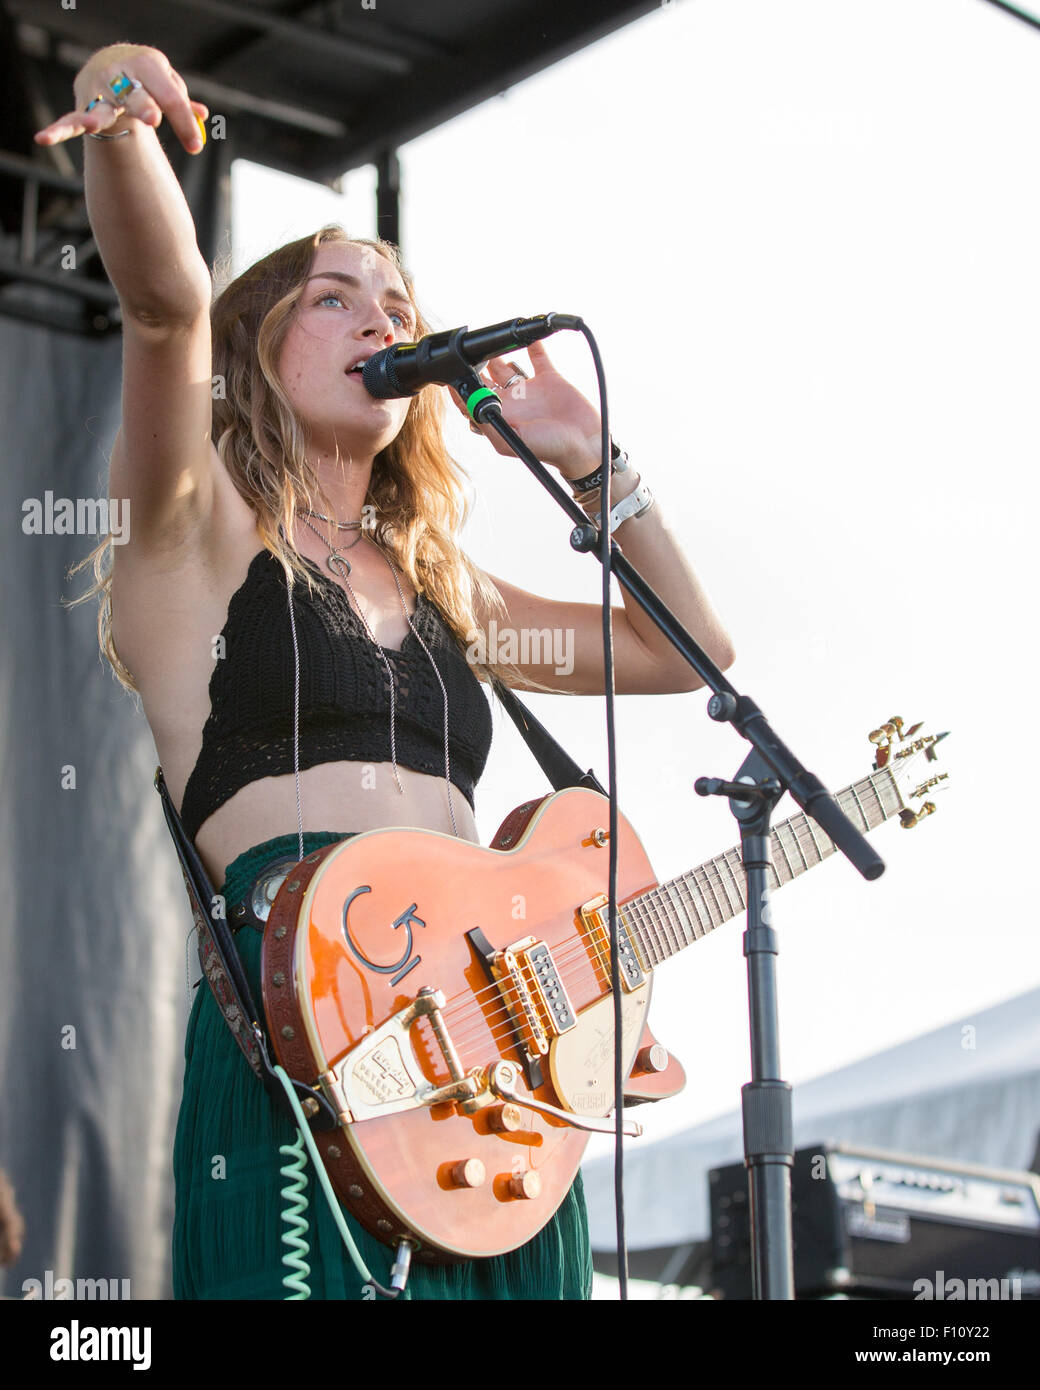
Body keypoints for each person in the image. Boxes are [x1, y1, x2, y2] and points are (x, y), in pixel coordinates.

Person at [36, 44, 735, 1300]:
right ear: (258, 342)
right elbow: (161, 308)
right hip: (307, 1044)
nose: (384, 320)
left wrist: (593, 467)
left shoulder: (447, 595)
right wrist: (121, 120)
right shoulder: (191, 538)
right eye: (335, 297)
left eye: (398, 302)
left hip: (499, 1089)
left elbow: (683, 655)